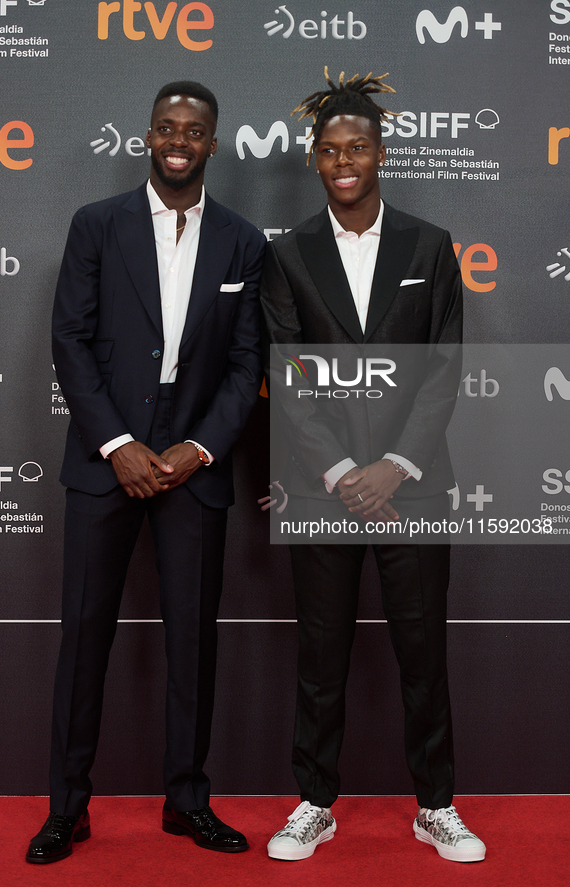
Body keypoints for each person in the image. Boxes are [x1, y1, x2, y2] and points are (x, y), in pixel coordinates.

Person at [26, 81, 265, 863]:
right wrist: (117, 444)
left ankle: (186, 799)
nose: (177, 140)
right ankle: (66, 806)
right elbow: (71, 341)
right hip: (107, 462)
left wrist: (198, 449)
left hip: (192, 467)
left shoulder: (241, 241)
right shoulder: (96, 225)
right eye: (165, 127)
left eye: (192, 131)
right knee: (83, 636)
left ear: (213, 145)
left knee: (193, 643)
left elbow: (245, 366)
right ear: (147, 136)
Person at [260, 69, 485, 864]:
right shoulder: (286, 254)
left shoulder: (429, 245)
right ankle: (314, 802)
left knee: (422, 650)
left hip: (413, 486)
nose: (343, 160)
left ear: (380, 153)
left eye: (356, 147)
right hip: (325, 490)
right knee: (321, 655)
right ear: (314, 160)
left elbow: (443, 365)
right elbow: (289, 371)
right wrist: (345, 474)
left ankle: (435, 804)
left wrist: (393, 465)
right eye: (328, 150)